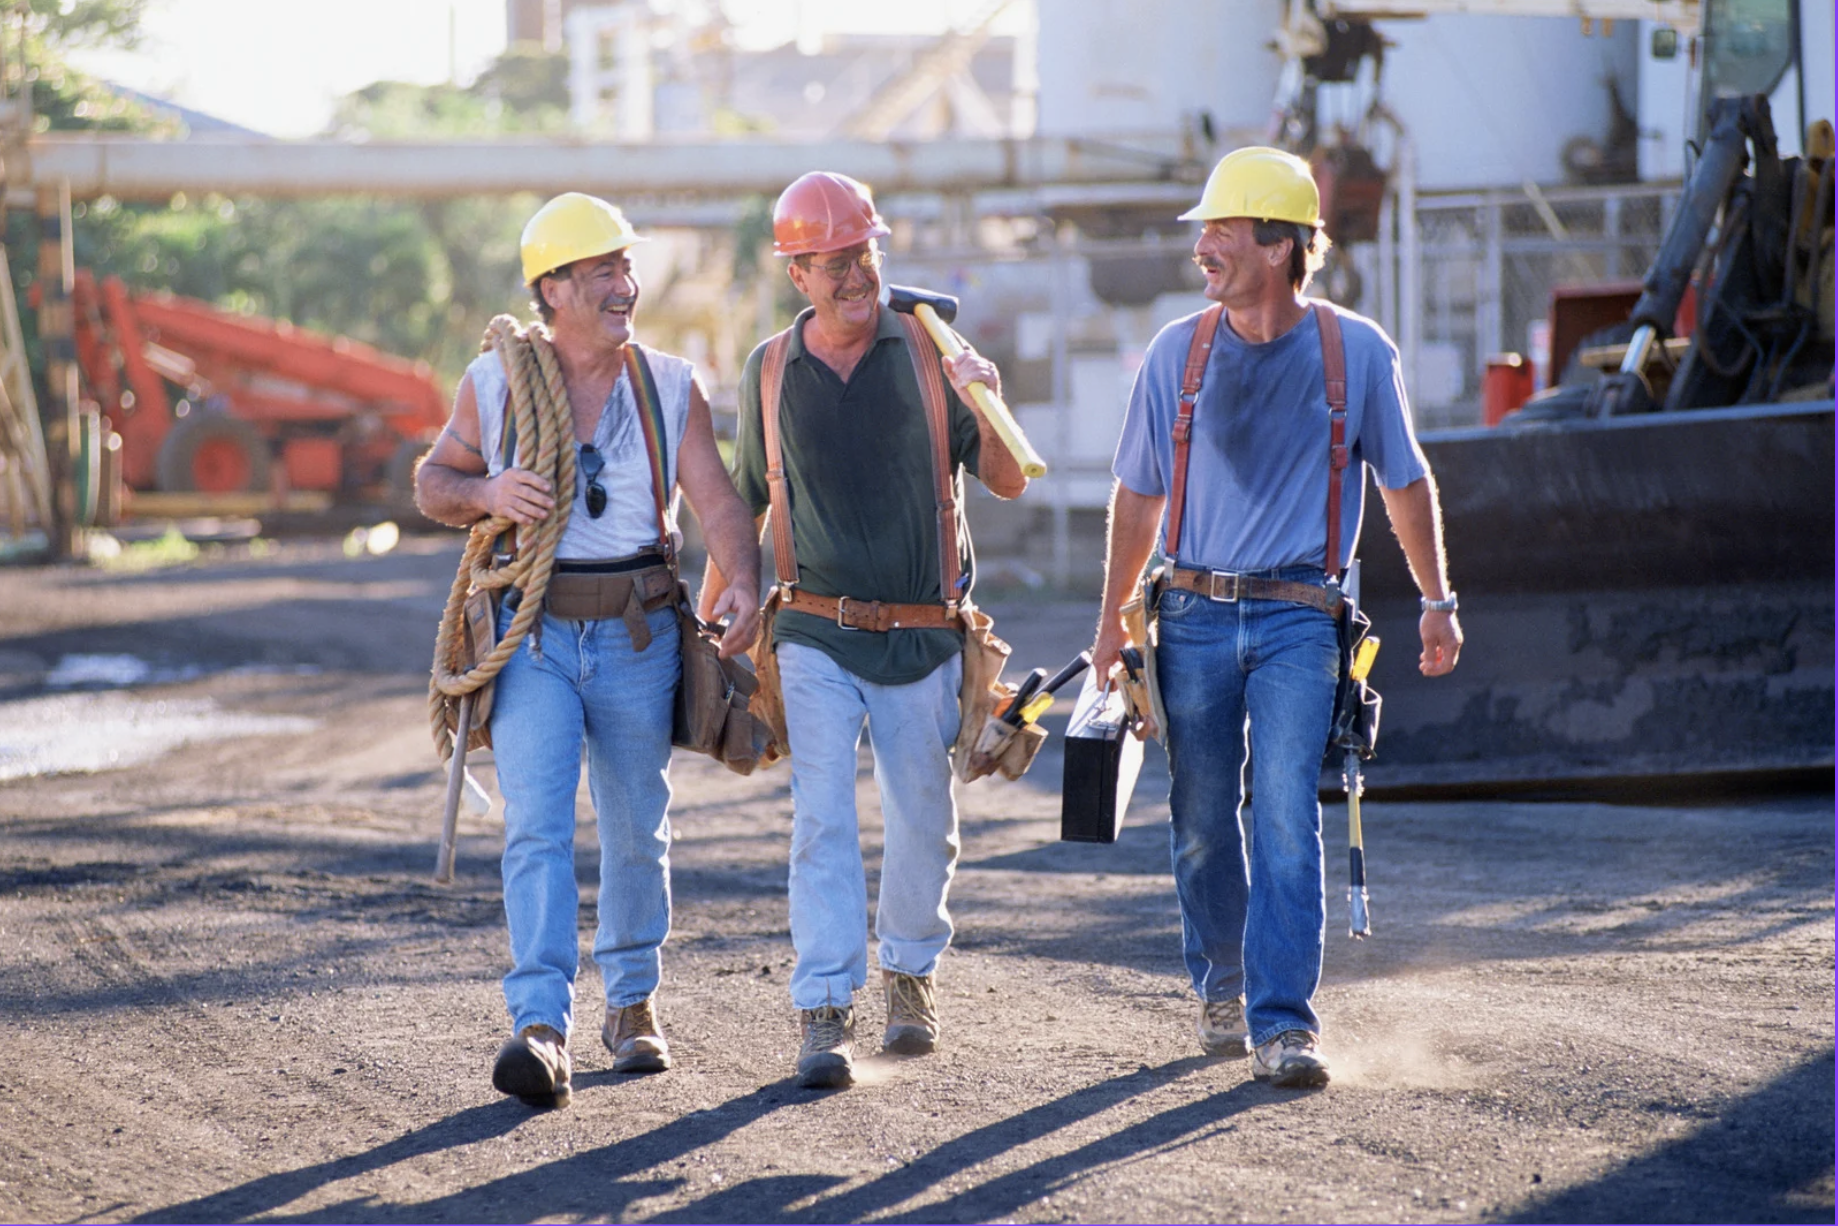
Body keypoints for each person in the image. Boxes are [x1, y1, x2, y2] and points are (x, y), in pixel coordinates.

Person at [1090, 148, 1462, 1090]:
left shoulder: (1358, 352)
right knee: (1206, 819)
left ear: (1282, 244)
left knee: (1285, 814)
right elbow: (1136, 498)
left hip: (1303, 618)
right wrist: (1109, 628)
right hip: (1195, 615)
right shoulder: (1179, 352)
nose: (1203, 247)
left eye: (1221, 229)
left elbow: (1405, 482)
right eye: (1205, 231)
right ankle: (1222, 980)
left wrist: (1436, 600)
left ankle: (1284, 1022)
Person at [415, 193, 762, 1109]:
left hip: (639, 632)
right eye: (604, 271)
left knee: (637, 821)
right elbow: (432, 482)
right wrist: (488, 489)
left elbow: (720, 501)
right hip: (531, 637)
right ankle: (541, 1023)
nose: (626, 285)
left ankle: (634, 1002)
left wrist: (748, 582)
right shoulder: (493, 384)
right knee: (536, 826)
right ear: (554, 288)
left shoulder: (668, 384)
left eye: (626, 268)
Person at [699, 171, 1028, 1089]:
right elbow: (747, 503)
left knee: (925, 819)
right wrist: (713, 609)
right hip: (812, 631)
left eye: (866, 253)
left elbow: (1006, 477)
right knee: (821, 823)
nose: (856, 274)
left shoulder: (931, 353)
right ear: (797, 272)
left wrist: (984, 396)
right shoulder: (770, 370)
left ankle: (912, 976)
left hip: (924, 633)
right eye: (835, 261)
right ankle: (825, 1007)